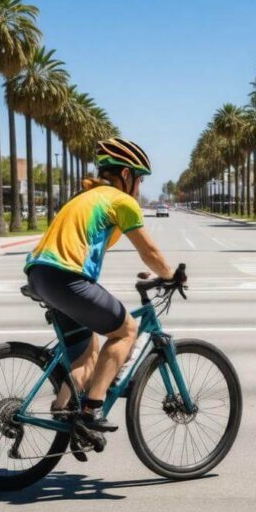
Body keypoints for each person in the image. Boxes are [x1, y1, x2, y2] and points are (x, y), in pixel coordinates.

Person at [24, 138, 180, 451]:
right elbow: (148, 249)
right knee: (126, 331)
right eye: (139, 178)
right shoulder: (120, 201)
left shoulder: (87, 197)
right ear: (126, 174)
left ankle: (64, 418)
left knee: (87, 355)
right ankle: (91, 411)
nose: (139, 186)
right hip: (66, 278)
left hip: (40, 274)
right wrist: (171, 276)